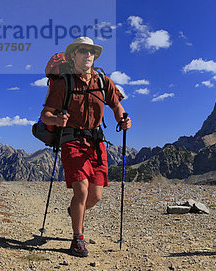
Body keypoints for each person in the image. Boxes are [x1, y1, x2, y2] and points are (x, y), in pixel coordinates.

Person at [41, 36, 131, 257]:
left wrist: (123, 119)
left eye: (91, 51)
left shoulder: (103, 81)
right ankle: (77, 239)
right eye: (83, 51)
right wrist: (56, 121)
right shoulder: (64, 83)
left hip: (96, 143)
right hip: (71, 141)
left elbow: (116, 106)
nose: (88, 55)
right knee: (81, 189)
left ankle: (74, 211)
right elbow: (45, 115)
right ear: (73, 55)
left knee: (95, 196)